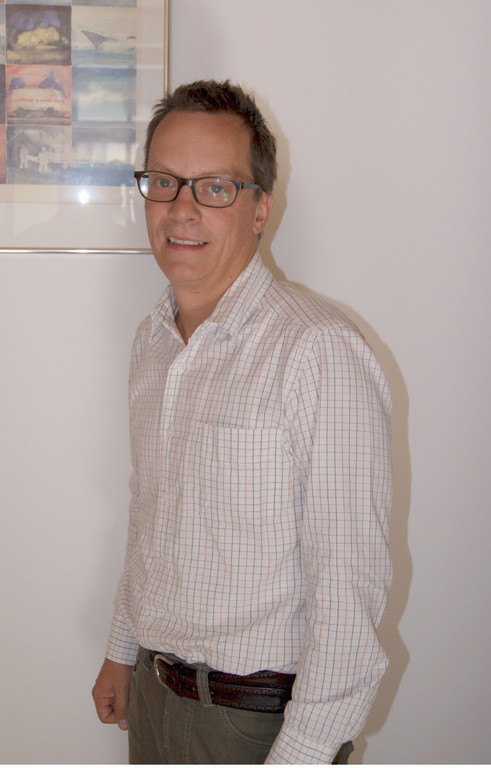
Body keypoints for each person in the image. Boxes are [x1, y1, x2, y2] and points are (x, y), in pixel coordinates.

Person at [92, 79, 392, 765]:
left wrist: (301, 754)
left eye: (215, 188)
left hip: (252, 726)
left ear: (260, 209)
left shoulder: (317, 351)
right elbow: (151, 512)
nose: (182, 209)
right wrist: (121, 650)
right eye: (164, 182)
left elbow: (348, 589)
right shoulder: (152, 340)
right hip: (153, 696)